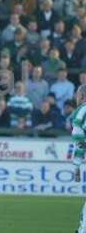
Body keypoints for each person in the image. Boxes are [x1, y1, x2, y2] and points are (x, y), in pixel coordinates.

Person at [71, 84, 86, 233]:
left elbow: (79, 139)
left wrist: (76, 165)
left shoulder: (82, 110)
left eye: (77, 94)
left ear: (82, 96)